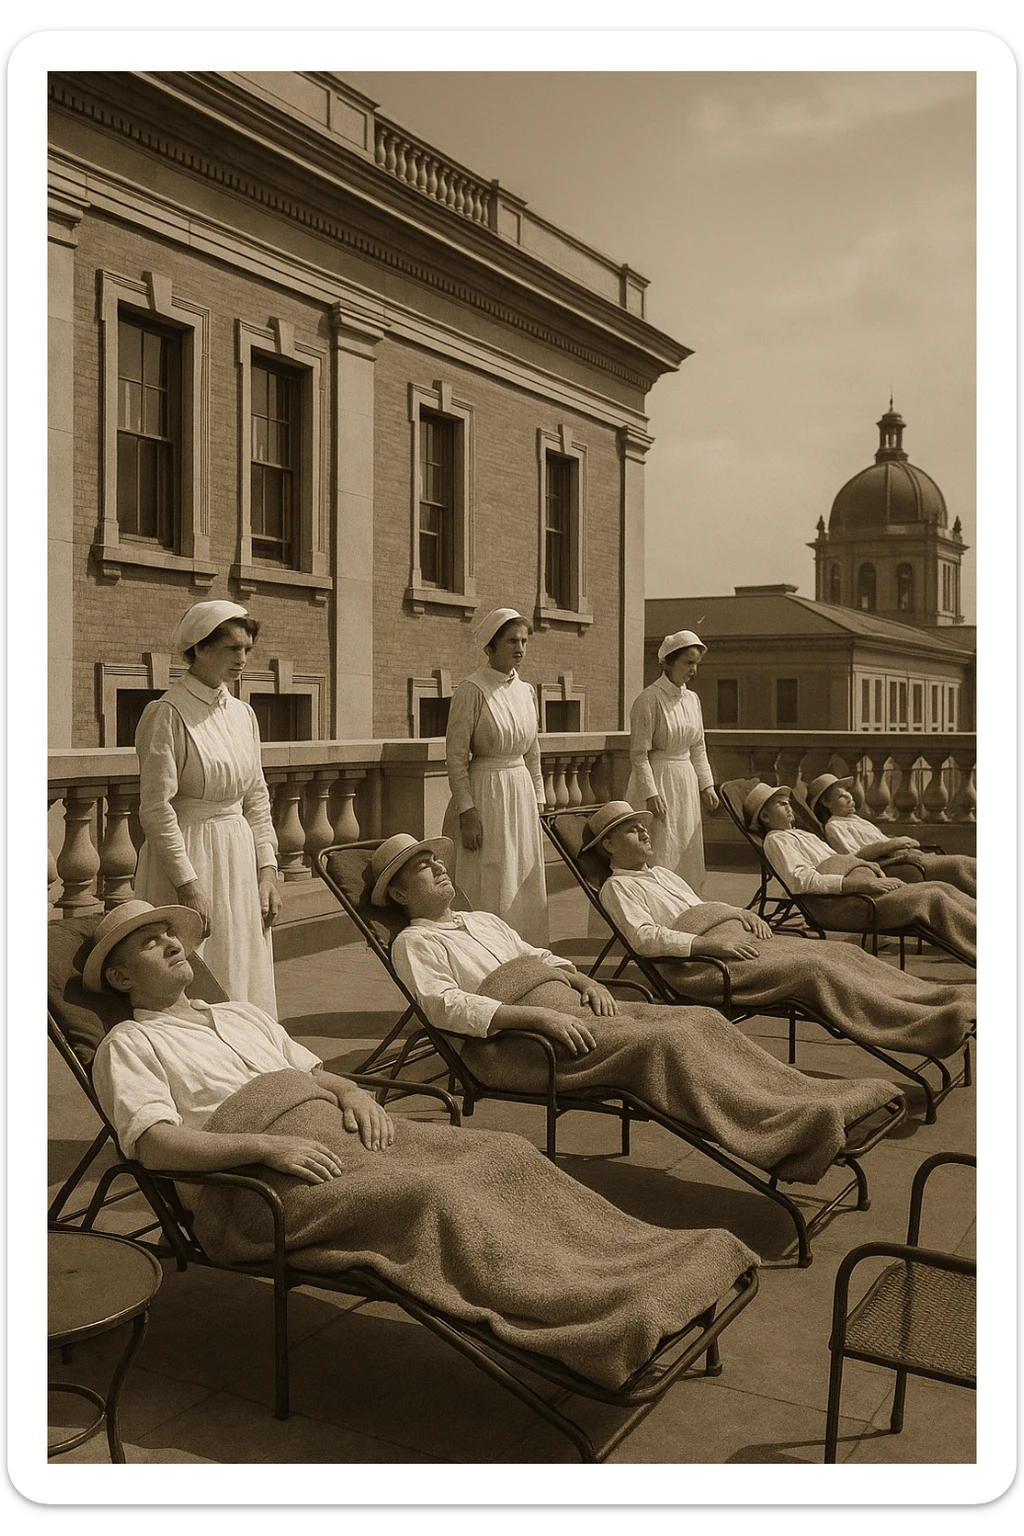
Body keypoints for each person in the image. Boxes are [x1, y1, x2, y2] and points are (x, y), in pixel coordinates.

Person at [83, 900, 758, 1392]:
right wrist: (266, 1145)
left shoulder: (239, 1013)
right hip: (258, 1187)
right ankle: (590, 1313)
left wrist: (350, 1097)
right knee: (434, 1194)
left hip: (336, 1132)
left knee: (503, 1154)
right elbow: (154, 1145)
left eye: (171, 933)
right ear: (119, 980)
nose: (174, 944)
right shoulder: (129, 1044)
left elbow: (320, 1074)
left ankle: (643, 1269)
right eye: (149, 943)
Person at [379, 833, 904, 1189]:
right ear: (400, 893)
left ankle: (816, 1100)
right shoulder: (414, 942)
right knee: (663, 1044)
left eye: (436, 861)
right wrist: (537, 1017)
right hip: (520, 1047)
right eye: (423, 869)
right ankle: (785, 1132)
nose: (439, 868)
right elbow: (444, 1006)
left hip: (570, 1014)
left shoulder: (484, 920)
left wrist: (582, 979)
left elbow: (539, 958)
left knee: (697, 1020)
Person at [590, 802, 974, 1062]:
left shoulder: (661, 874)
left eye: (643, 827)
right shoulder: (616, 887)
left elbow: (698, 906)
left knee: (840, 954)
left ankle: (935, 999)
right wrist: (711, 942)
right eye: (630, 831)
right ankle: (924, 1027)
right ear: (607, 844)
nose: (644, 834)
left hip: (736, 943)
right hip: (701, 966)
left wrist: (740, 912)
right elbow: (644, 937)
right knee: (815, 969)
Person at [133, 600, 280, 1017]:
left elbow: (256, 795)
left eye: (247, 649)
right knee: (196, 969)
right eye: (233, 648)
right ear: (199, 648)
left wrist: (267, 869)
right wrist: (187, 884)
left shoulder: (243, 713)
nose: (243, 659)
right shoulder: (166, 712)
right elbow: (156, 809)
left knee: (241, 962)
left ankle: (252, 1059)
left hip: (237, 853)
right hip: (190, 854)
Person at [746, 783, 976, 967]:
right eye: (782, 805)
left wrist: (871, 873)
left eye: (788, 803)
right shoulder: (776, 840)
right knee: (932, 897)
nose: (789, 808)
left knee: (939, 887)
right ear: (765, 817)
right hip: (843, 904)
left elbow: (843, 859)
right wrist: (860, 884)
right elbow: (801, 881)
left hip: (861, 890)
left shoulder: (804, 836)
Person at [442, 607, 548, 944]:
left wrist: (539, 796)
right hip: (486, 792)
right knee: (491, 876)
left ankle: (527, 951)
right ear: (490, 647)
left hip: (520, 793)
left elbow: (532, 750)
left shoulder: (527, 691)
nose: (520, 648)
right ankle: (487, 950)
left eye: (524, 641)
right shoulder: (472, 690)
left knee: (522, 875)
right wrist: (467, 811)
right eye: (511, 641)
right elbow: (456, 757)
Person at [625, 629, 718, 895]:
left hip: (685, 782)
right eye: (688, 663)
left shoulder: (692, 699)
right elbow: (639, 754)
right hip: (659, 782)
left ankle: (687, 907)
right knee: (661, 848)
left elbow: (698, 746)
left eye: (696, 663)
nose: (694, 670)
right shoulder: (648, 700)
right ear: (667, 662)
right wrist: (650, 793)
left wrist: (706, 785)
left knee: (685, 848)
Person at [806, 773, 977, 899]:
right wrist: (894, 843)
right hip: (892, 867)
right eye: (841, 796)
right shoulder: (834, 826)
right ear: (826, 803)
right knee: (958, 865)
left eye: (847, 792)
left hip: (907, 859)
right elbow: (856, 856)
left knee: (966, 864)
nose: (850, 797)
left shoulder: (856, 820)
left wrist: (898, 844)